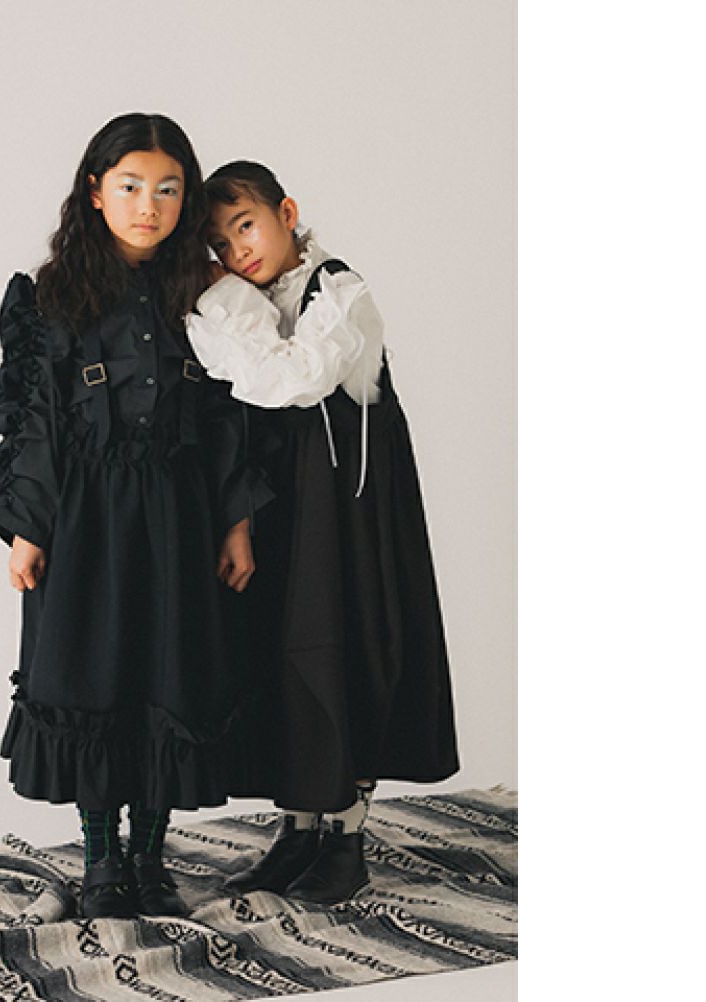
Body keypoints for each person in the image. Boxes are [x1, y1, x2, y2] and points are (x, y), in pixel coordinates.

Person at [0, 119, 273, 920]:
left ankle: (151, 857)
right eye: (131, 186)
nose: (149, 206)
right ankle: (102, 859)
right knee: (94, 676)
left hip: (179, 509)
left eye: (168, 189)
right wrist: (28, 526)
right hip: (85, 516)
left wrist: (236, 521)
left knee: (170, 672)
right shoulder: (51, 296)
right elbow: (35, 418)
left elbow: (227, 415)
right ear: (96, 191)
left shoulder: (208, 295)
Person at [186, 161, 459, 905]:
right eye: (220, 243)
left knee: (351, 645)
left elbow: (296, 378)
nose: (237, 250)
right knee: (287, 654)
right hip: (288, 505)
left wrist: (219, 298)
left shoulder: (339, 288)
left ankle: (345, 840)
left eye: (245, 226)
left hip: (354, 508)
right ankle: (298, 831)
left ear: (286, 212)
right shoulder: (253, 301)